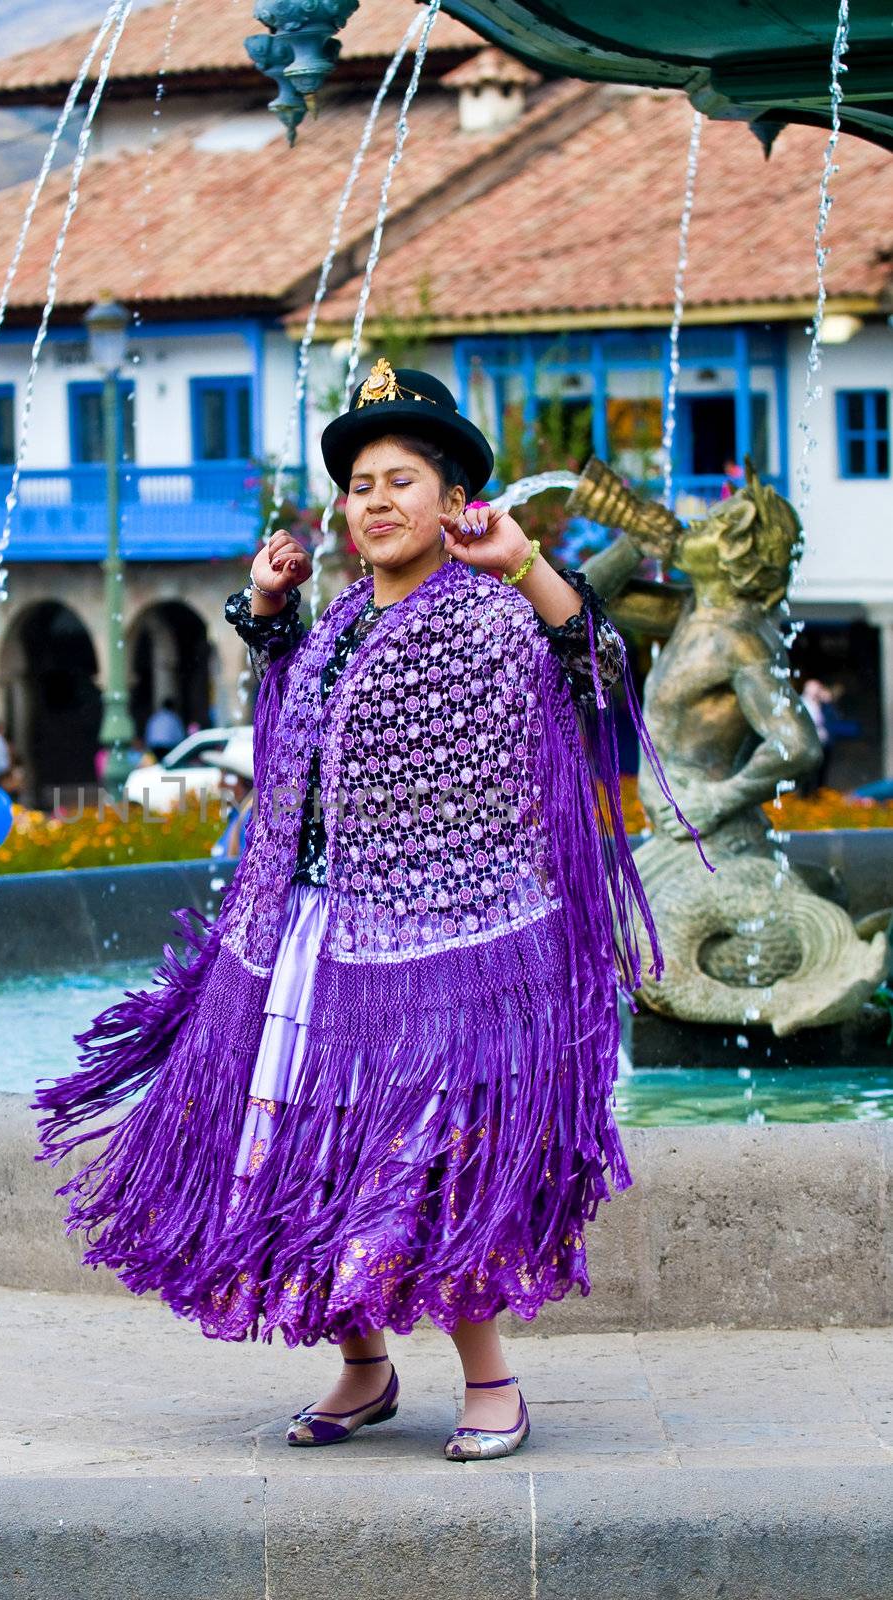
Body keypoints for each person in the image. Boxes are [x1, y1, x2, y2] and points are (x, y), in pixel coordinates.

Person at [34, 360, 681, 1464]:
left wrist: (524, 564)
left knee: (428, 1151)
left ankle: (491, 1381)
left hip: (447, 942)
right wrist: (270, 614)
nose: (375, 501)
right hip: (306, 932)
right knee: (301, 1144)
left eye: (400, 480)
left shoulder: (490, 615)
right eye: (358, 484)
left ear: (452, 502)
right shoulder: (332, 623)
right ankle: (363, 1365)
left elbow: (597, 668)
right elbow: (297, 737)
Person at [207, 746, 254, 860]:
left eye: (228, 777)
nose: (220, 785)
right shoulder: (237, 815)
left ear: (246, 782)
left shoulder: (250, 820)